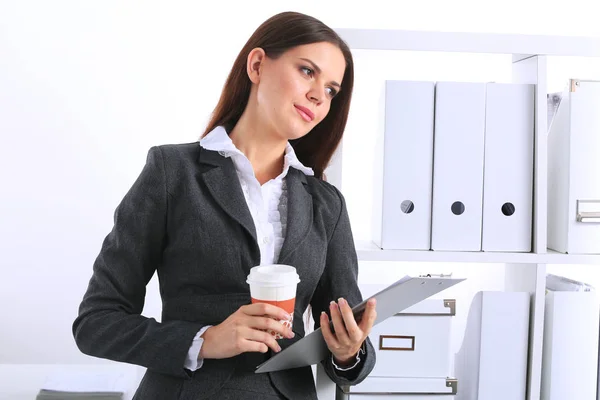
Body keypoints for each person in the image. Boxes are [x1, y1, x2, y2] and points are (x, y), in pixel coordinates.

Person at [72, 10, 377, 400]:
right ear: (257, 65)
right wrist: (205, 340)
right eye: (307, 72)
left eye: (332, 90)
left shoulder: (326, 203)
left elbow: (347, 350)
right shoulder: (172, 172)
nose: (319, 96)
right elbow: (97, 323)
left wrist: (349, 353)